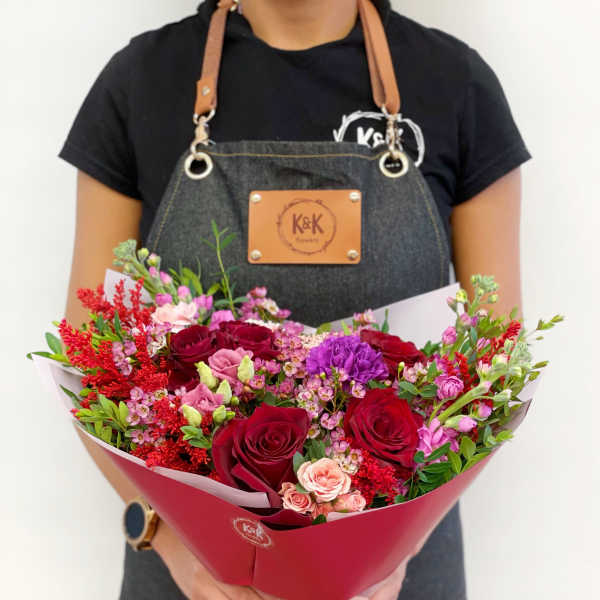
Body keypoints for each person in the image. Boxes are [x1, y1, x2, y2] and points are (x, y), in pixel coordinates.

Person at [61, 1, 528, 598]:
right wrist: (169, 541)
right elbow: (88, 358)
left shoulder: (454, 83)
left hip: (397, 577)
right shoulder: (143, 79)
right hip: (192, 578)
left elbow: (497, 364)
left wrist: (393, 554)